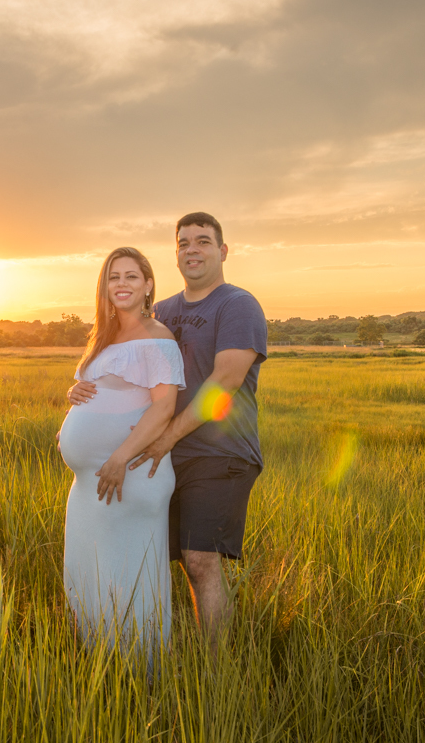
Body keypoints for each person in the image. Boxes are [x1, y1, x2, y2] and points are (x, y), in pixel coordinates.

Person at [67, 213, 267, 651]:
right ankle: (153, 643)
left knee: (200, 561)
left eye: (203, 242)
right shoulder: (166, 311)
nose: (192, 250)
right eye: (183, 243)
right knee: (165, 557)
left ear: (223, 251)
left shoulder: (237, 305)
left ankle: (216, 673)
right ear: (175, 254)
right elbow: (130, 367)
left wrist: (166, 437)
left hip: (220, 452)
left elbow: (225, 385)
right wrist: (83, 386)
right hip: (162, 456)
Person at [57, 247, 185, 661]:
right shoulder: (104, 336)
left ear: (148, 285)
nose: (122, 284)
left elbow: (164, 407)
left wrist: (119, 458)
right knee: (90, 572)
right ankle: (99, 664)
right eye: (114, 277)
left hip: (128, 475)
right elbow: (99, 392)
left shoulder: (157, 337)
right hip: (90, 483)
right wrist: (72, 396)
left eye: (132, 276)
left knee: (128, 574)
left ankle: (142, 673)